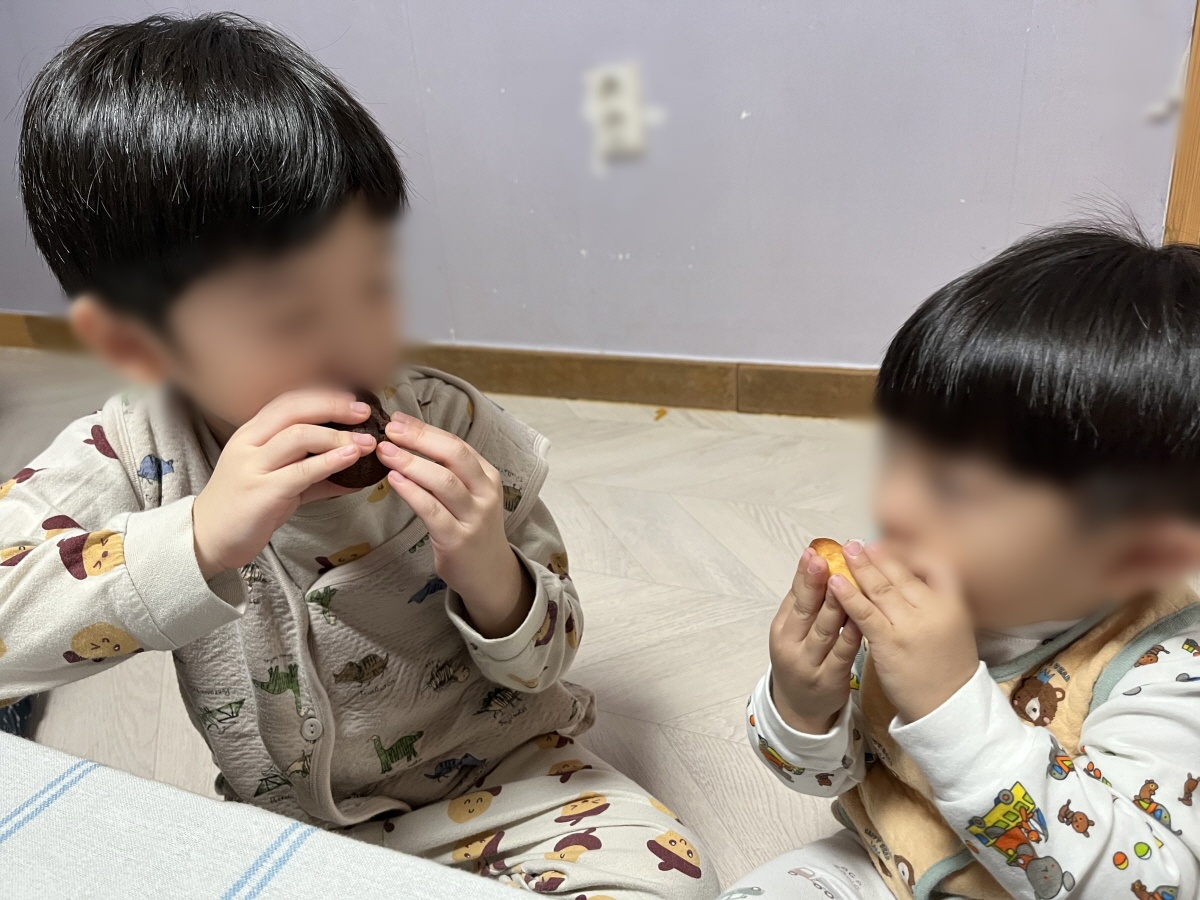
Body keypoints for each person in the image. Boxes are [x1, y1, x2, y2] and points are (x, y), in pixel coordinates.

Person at [0, 15, 712, 898]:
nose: (360, 345)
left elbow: (547, 660)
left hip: (504, 792)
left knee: (666, 879)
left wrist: (492, 576)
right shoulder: (131, 454)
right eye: (294, 318)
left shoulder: (449, 420)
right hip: (286, 826)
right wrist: (195, 541)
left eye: (372, 287)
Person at [728, 226, 1200, 900]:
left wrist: (950, 703)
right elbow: (827, 776)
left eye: (951, 487)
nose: (894, 503)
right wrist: (802, 702)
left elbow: (1149, 886)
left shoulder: (1166, 673)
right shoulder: (913, 600)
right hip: (884, 863)